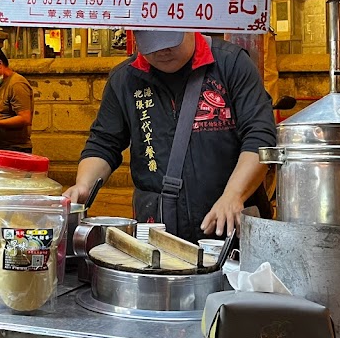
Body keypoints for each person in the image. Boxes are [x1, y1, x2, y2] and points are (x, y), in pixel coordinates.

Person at [64, 30, 276, 242]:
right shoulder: (125, 79)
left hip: (230, 229)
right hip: (159, 232)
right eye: (151, 45)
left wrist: (234, 195)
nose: (162, 51)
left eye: (170, 42)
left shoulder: (231, 63)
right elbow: (104, 143)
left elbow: (260, 136)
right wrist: (84, 185)